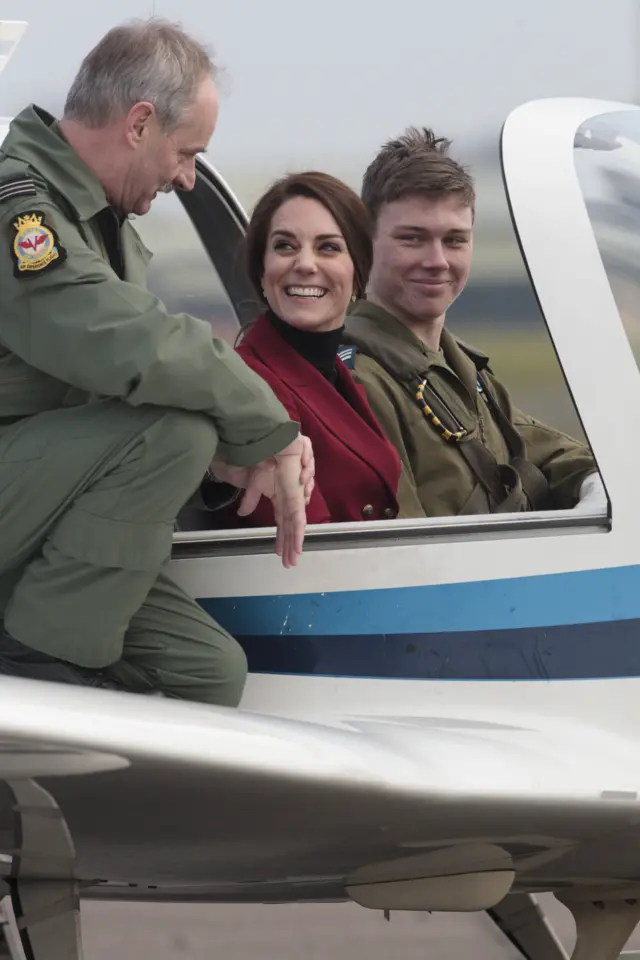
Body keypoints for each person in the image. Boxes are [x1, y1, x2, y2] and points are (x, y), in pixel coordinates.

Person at [0, 18, 315, 705]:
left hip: (36, 503)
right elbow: (118, 339)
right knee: (177, 429)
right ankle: (37, 669)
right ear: (139, 123)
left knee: (208, 674)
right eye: (187, 152)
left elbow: (99, 393)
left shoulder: (99, 223)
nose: (187, 175)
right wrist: (271, 425)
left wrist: (226, 461)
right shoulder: (20, 209)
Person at [343, 127, 604, 517]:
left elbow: (533, 445)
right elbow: (398, 555)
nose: (437, 261)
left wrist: (594, 480)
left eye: (454, 240)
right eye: (412, 238)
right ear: (364, 241)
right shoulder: (359, 382)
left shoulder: (460, 370)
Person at [211, 171, 423, 527]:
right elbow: (309, 552)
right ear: (262, 273)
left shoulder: (339, 375)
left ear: (357, 273)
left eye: (328, 247)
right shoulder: (249, 387)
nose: (305, 265)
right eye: (284, 246)